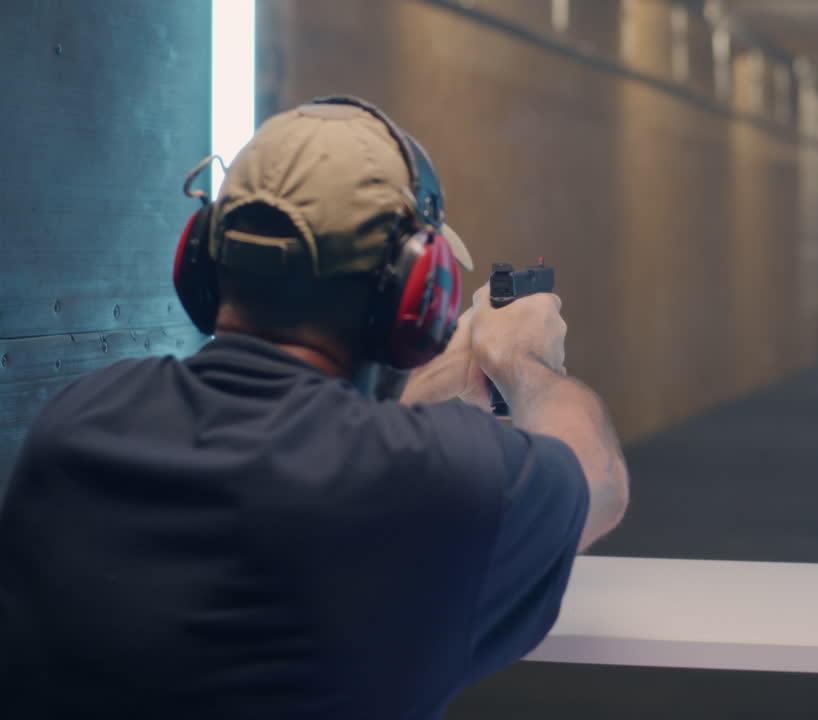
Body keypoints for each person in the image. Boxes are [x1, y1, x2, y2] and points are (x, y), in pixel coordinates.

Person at [0, 97, 629, 719]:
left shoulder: (77, 427)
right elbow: (595, 481)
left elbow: (305, 440)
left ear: (202, 260)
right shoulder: (433, 483)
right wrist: (521, 359)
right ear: (416, 291)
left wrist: (438, 381)